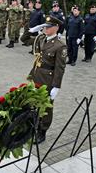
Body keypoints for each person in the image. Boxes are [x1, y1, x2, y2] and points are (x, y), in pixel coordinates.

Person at [28, 15, 67, 144]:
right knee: (34, 103)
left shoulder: (60, 46)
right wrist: (32, 30)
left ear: (56, 28)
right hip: (36, 76)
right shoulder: (41, 38)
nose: (45, 28)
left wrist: (56, 86)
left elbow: (59, 68)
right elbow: (24, 40)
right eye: (44, 26)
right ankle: (34, 126)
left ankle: (42, 131)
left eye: (48, 27)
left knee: (46, 108)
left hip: (48, 81)